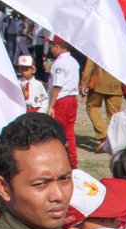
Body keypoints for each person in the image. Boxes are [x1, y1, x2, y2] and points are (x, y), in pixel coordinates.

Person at [47, 37, 81, 167]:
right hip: (72, 98)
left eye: (51, 45)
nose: (50, 48)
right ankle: (72, 160)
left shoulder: (59, 64)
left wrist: (51, 105)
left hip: (62, 99)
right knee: (69, 131)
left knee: (58, 131)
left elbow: (57, 85)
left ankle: (60, 159)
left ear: (57, 46)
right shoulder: (73, 61)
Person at [81, 59, 123, 153]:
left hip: (98, 82)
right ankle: (113, 141)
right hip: (117, 82)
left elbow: (90, 62)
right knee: (114, 115)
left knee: (92, 107)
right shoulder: (122, 46)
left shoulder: (99, 44)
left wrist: (84, 82)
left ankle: (103, 136)